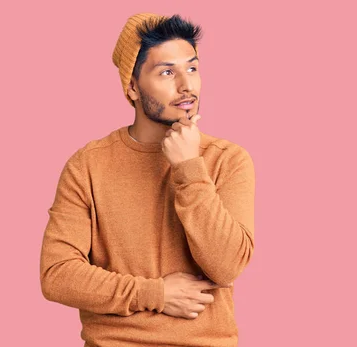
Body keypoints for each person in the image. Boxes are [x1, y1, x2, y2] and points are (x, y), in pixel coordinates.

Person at [40, 12, 256, 347]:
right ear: (132, 87)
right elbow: (57, 276)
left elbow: (226, 267)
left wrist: (188, 168)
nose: (187, 85)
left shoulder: (227, 159)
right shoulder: (88, 165)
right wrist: (155, 293)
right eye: (167, 72)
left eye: (193, 68)